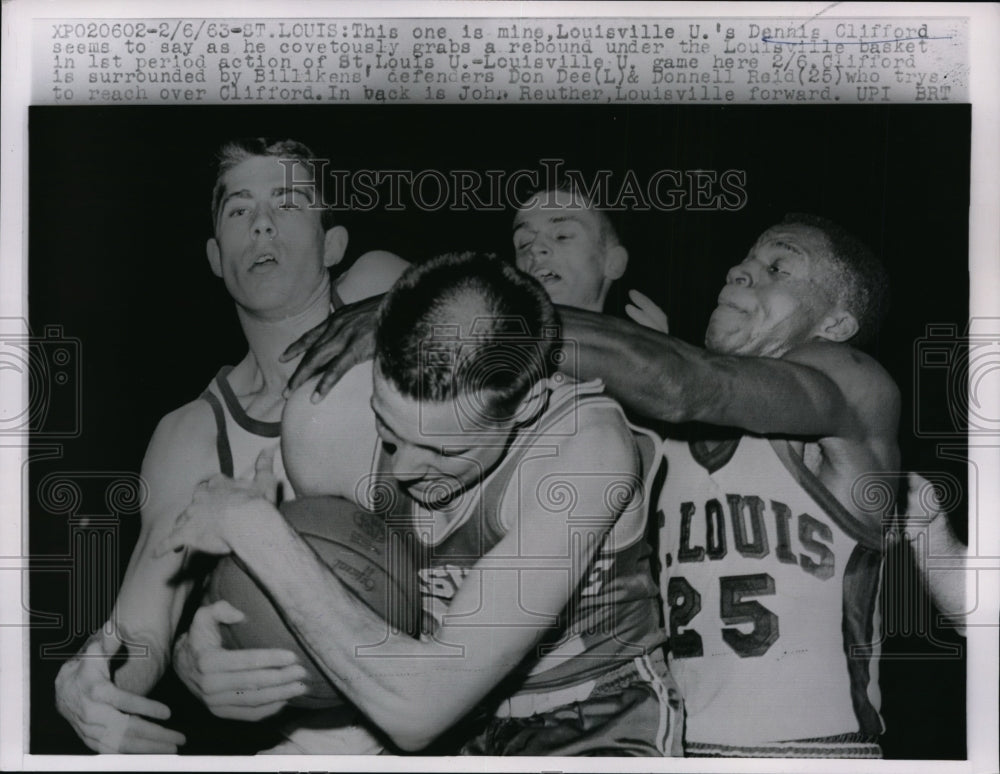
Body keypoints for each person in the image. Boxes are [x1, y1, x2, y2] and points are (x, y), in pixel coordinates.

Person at [281, 214, 916, 756]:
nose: (739, 271)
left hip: (811, 753)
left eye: (780, 267)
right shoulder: (638, 424)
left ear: (836, 322)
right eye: (744, 259)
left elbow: (682, 380)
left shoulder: (854, 385)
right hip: (668, 741)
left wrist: (446, 319)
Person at [156, 251, 683, 756]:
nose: (405, 469)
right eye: (389, 430)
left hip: (592, 717)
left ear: (528, 405)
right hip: (443, 721)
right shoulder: (326, 425)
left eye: (441, 448)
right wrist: (204, 652)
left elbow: (420, 709)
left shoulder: (586, 450)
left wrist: (255, 530)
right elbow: (324, 587)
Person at [54, 138, 408, 753]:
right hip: (331, 745)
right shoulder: (192, 434)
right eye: (239, 210)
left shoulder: (385, 290)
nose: (262, 221)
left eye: (288, 203)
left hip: (473, 682)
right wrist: (94, 682)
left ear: (333, 245)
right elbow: (145, 625)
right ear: (217, 256)